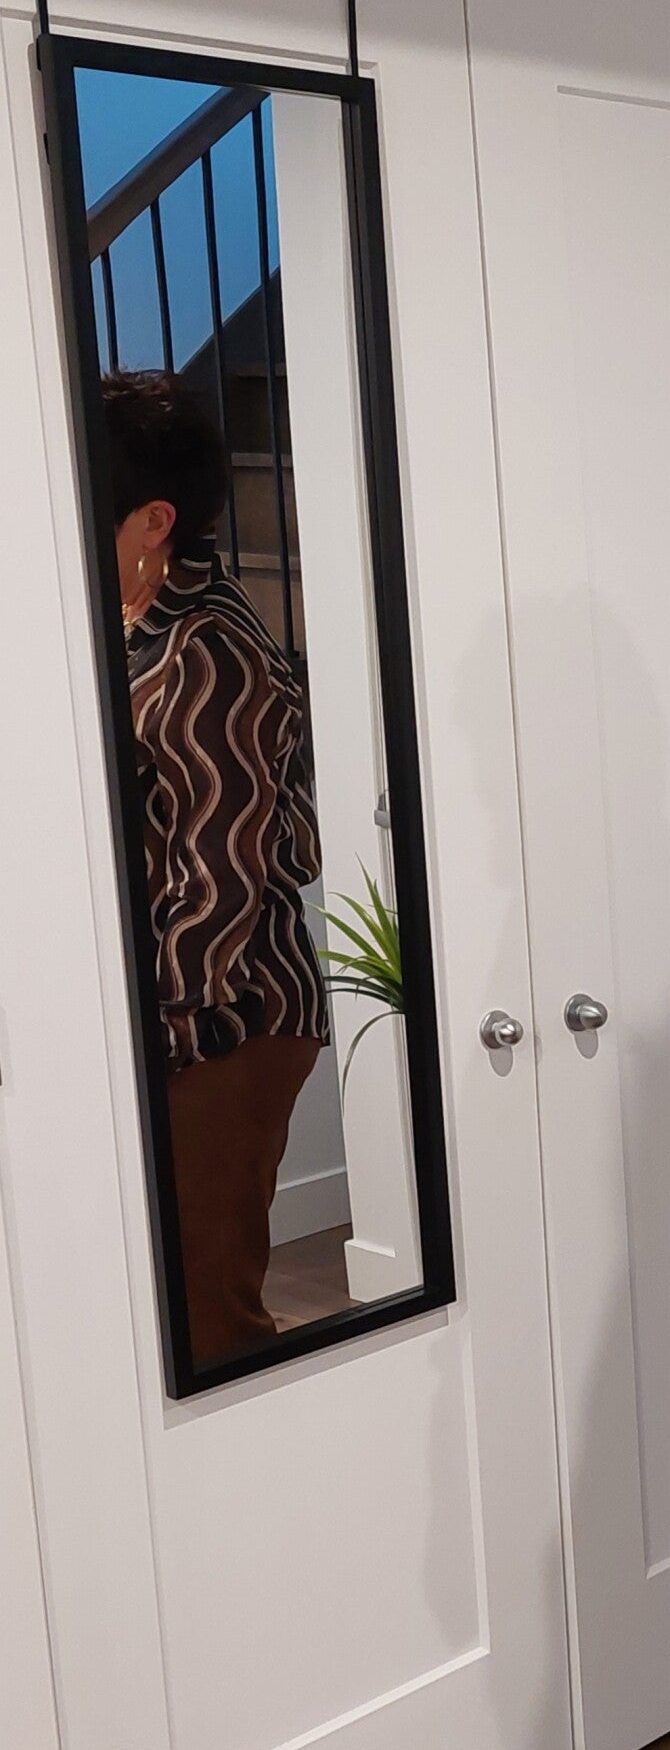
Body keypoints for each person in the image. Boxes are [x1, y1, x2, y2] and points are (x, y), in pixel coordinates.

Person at [106, 371, 329, 1369]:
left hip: (225, 1020)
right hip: (181, 1014)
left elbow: (220, 879)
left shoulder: (206, 651)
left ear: (154, 521)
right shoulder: (128, 626)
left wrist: (162, 1037)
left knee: (209, 1322)